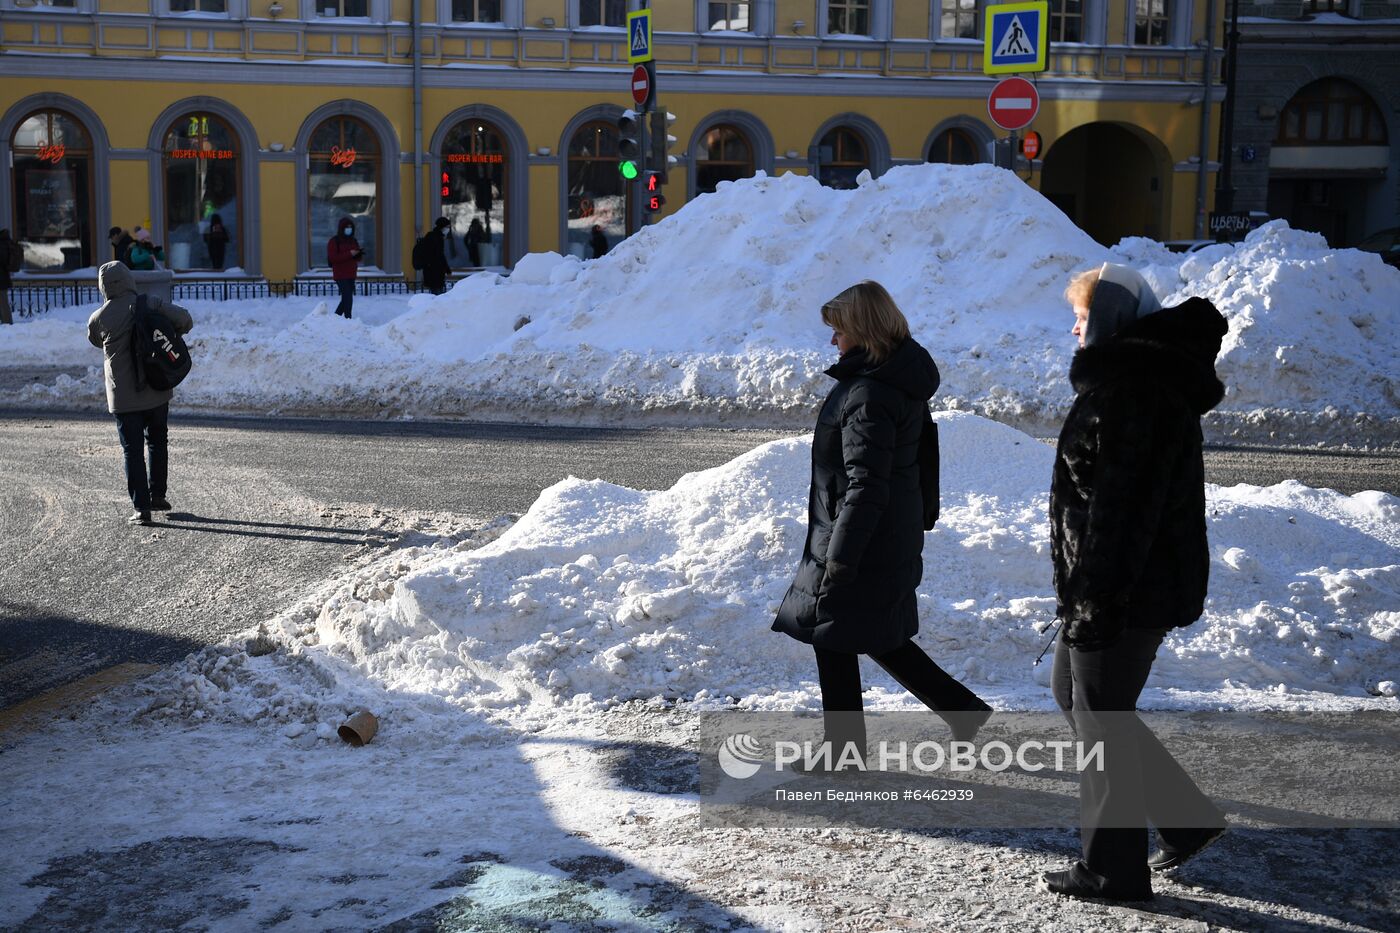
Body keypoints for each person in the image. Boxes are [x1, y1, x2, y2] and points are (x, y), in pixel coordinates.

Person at [1040, 263, 1230, 902]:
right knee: (1074, 694)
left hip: (1126, 589)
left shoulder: (1136, 390)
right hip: (1110, 584)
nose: (1074, 327)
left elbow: (1126, 509)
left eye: (1084, 315)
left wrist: (1098, 601)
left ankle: (1111, 870)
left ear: (1112, 319)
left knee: (1101, 719)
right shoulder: (1129, 381)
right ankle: (1185, 820)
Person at [772, 281, 992, 767]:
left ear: (864, 332)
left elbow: (866, 483)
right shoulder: (893, 382)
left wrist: (841, 554)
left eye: (839, 332)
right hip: (881, 533)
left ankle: (846, 753)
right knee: (870, 634)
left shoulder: (869, 393)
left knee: (837, 632)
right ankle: (962, 712)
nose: (833, 342)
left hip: (860, 535)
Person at [87, 261, 194, 526]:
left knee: (132, 451)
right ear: (129, 280)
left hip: (124, 398)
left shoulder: (99, 318)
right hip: (156, 388)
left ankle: (141, 508)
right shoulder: (150, 304)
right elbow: (185, 320)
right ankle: (158, 495)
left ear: (104, 287)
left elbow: (94, 340)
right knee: (158, 441)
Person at [326, 217, 363, 319]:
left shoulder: (353, 240)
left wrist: (358, 254)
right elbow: (333, 258)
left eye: (350, 227)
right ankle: (348, 319)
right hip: (340, 274)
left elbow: (357, 258)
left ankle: (335, 318)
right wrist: (349, 254)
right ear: (341, 228)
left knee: (346, 298)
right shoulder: (334, 241)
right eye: (346, 227)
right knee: (348, 297)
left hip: (351, 273)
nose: (349, 229)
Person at [421, 217, 451, 295]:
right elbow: (438, 255)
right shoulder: (435, 237)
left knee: (437, 295)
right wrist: (446, 268)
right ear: (442, 227)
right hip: (434, 272)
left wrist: (446, 268)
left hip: (435, 272)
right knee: (437, 296)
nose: (448, 229)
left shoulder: (436, 237)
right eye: (447, 227)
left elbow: (440, 255)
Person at [0, 227, 18, 325]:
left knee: (3, 303)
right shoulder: (5, 243)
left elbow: (3, 260)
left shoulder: (2, 244)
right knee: (2, 302)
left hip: (1, 279)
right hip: (3, 278)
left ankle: (7, 323)